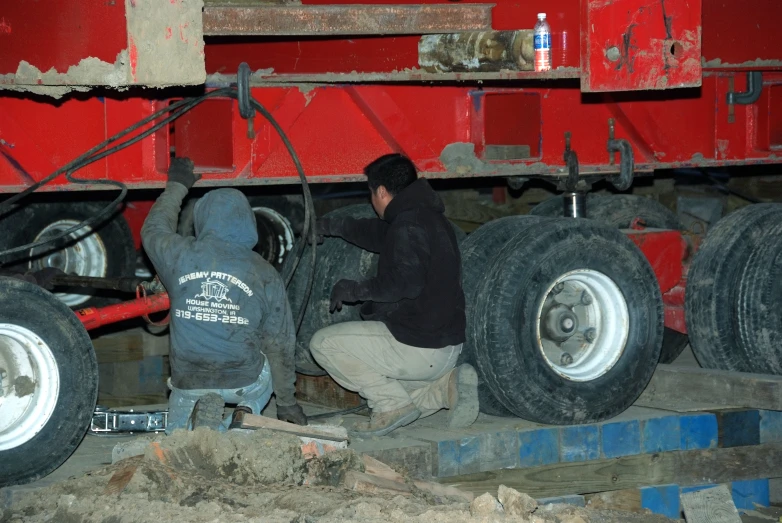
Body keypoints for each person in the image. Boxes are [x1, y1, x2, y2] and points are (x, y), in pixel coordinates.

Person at [309, 153, 478, 437]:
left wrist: (354, 289)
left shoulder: (408, 226)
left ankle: (389, 405)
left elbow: (404, 284)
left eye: (370, 192)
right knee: (407, 397)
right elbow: (378, 234)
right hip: (446, 349)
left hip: (418, 346)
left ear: (382, 191)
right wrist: (331, 226)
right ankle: (444, 388)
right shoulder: (428, 219)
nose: (370, 200)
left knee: (323, 344)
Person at [141, 157, 306, 433]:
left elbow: (154, 229)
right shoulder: (264, 272)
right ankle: (245, 414)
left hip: (189, 379)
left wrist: (177, 186)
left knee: (180, 421)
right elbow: (280, 344)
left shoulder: (179, 255)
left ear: (203, 220)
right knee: (267, 355)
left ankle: (188, 423)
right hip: (242, 380)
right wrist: (287, 403)